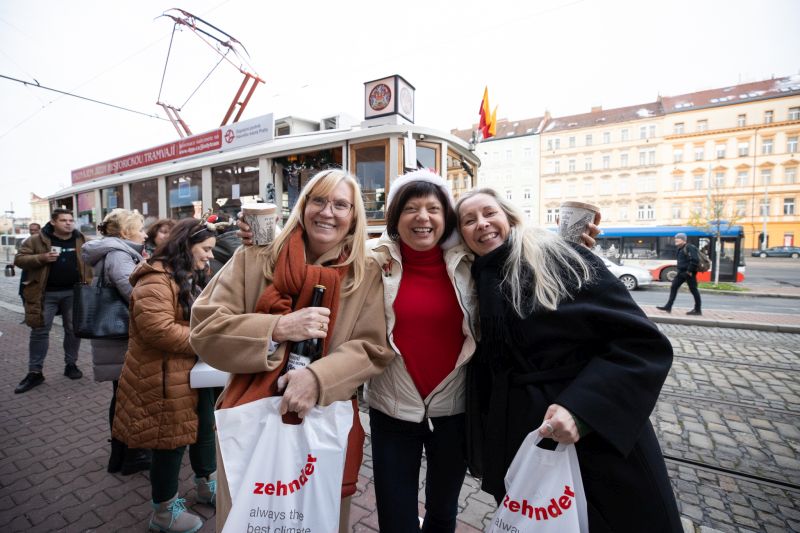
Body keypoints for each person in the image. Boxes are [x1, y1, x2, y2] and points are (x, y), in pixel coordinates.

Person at [455, 188, 681, 533]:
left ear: (509, 218)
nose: (481, 224)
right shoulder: (474, 278)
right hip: (525, 443)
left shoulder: (560, 257)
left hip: (594, 437)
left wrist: (580, 411)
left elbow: (641, 343)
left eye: (489, 213)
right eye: (469, 220)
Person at [189, 169, 393, 533]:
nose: (327, 212)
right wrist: (276, 329)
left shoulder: (365, 271)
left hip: (325, 423)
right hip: (250, 417)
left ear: (354, 217)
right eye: (319, 200)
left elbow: (371, 347)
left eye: (340, 205)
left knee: (318, 520)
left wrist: (317, 378)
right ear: (303, 206)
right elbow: (205, 329)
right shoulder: (256, 257)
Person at [366, 169, 477, 533]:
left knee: (443, 512)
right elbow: (324, 250)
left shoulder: (470, 263)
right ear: (395, 217)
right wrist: (259, 240)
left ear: (447, 218)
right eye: (411, 208)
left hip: (454, 410)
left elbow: (517, 248)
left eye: (433, 208)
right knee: (396, 517)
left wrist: (576, 244)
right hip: (392, 408)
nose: (422, 217)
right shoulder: (372, 259)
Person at [112, 217, 220, 533]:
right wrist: (207, 340)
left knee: (204, 429)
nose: (210, 255)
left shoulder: (189, 273)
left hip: (191, 373)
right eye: (206, 249)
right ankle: (163, 512)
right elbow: (158, 330)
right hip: (161, 377)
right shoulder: (155, 279)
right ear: (186, 246)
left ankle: (207, 483)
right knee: (169, 443)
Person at [81, 209, 150, 475]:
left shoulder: (114, 252)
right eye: (140, 229)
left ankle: (121, 455)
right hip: (123, 337)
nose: (144, 234)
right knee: (128, 396)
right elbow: (136, 295)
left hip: (117, 338)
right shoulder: (120, 255)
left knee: (121, 395)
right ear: (124, 232)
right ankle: (133, 455)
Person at [14, 209, 90, 393]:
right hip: (45, 294)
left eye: (71, 220)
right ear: (53, 222)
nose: (68, 223)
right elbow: (19, 259)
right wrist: (42, 258)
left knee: (73, 330)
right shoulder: (36, 240)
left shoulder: (82, 239)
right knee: (39, 331)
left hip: (73, 293)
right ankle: (35, 372)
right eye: (63, 220)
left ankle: (71, 364)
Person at [657, 232, 702, 315]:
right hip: (681, 272)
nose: (676, 240)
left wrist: (689, 271)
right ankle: (668, 306)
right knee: (673, 287)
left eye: (678, 238)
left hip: (689, 273)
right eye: (676, 238)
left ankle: (698, 310)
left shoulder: (689, 247)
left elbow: (695, 260)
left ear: (683, 240)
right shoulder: (680, 248)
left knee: (694, 290)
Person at [18, 222, 42, 308]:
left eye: (35, 230)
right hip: (27, 271)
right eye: (31, 230)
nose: (33, 232)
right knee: (23, 292)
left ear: (40, 230)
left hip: (39, 271)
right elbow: (20, 255)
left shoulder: (44, 241)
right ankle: (27, 312)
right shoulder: (25, 241)